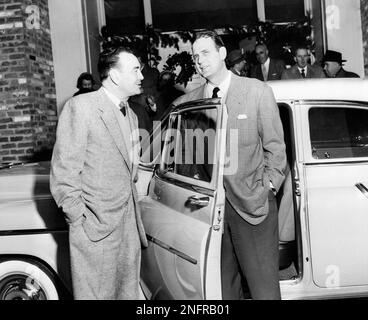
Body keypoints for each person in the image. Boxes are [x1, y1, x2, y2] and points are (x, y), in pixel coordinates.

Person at [172, 30, 287, 300]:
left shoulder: (257, 91)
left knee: (264, 291)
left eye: (206, 53)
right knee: (222, 291)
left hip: (253, 206)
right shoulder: (192, 102)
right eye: (195, 56)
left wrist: (268, 186)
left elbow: (276, 148)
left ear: (222, 53)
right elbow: (189, 160)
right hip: (211, 214)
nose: (199, 60)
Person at [50, 46, 148, 300]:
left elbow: (129, 171)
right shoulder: (81, 107)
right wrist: (79, 220)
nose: (142, 76)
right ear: (115, 76)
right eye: (136, 70)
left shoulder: (133, 116)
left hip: (128, 228)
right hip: (94, 230)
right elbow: (64, 171)